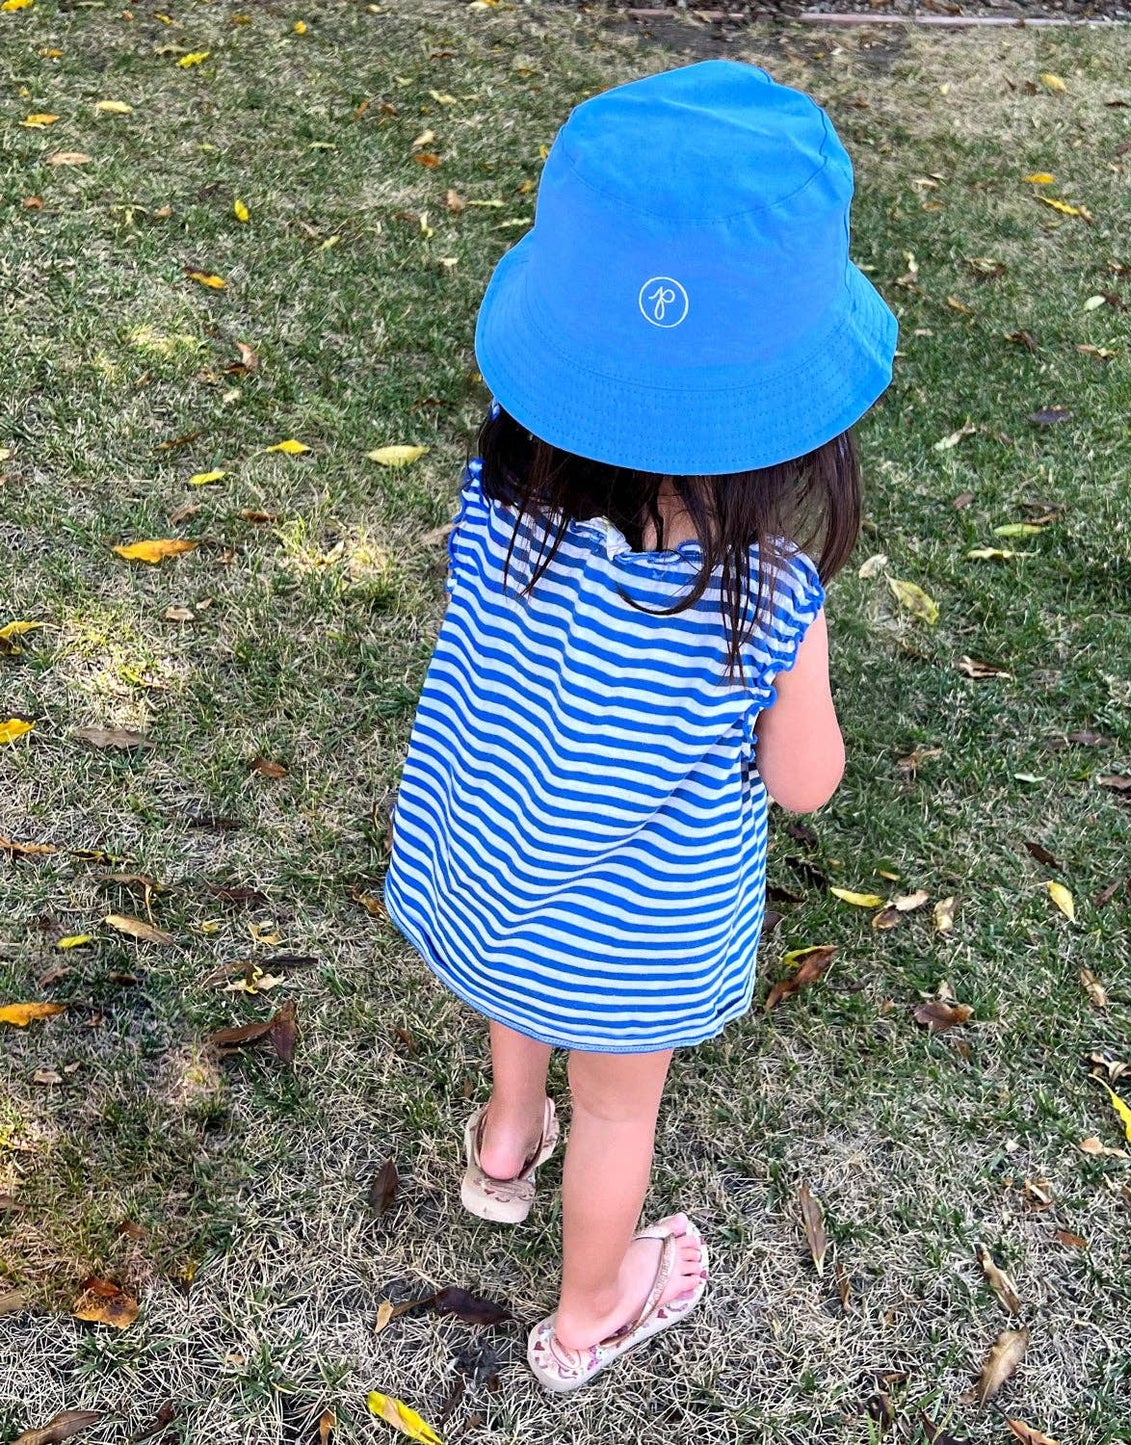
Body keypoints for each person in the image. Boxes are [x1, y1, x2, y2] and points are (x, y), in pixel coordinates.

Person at [382, 58, 896, 1393]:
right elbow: (805, 782)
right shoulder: (768, 600)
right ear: (794, 423)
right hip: (628, 937)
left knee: (514, 994)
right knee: (617, 1113)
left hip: (487, 869)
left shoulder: (496, 508)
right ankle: (588, 1312)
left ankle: (505, 1145)